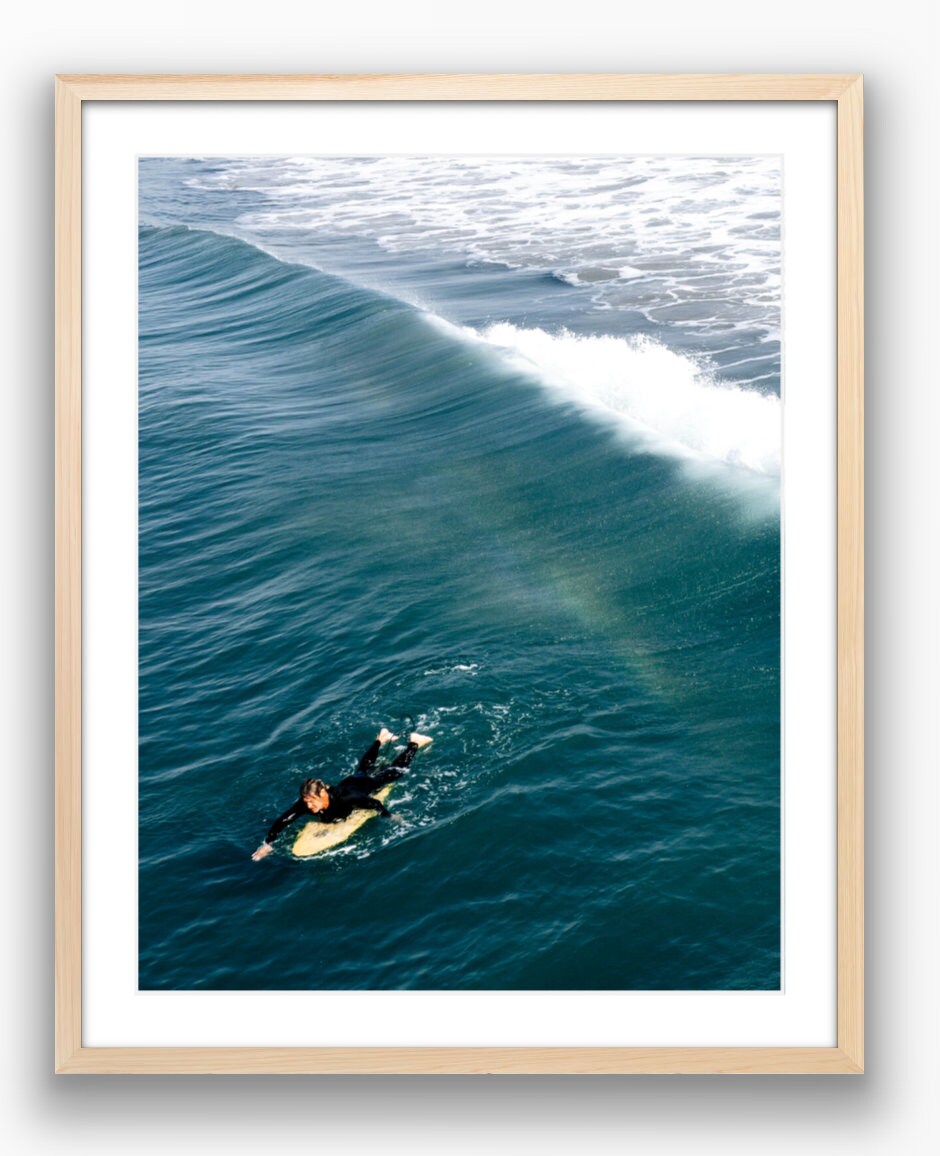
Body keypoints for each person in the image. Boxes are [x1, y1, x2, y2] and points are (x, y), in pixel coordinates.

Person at [251, 728, 432, 860]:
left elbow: (374, 804)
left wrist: (390, 816)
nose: (309, 807)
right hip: (353, 779)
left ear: (322, 794)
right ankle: (381, 738)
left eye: (312, 802)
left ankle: (414, 742)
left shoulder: (347, 798)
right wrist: (267, 845)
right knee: (362, 768)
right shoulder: (306, 803)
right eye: (306, 803)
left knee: (396, 771)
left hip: (367, 785)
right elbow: (282, 821)